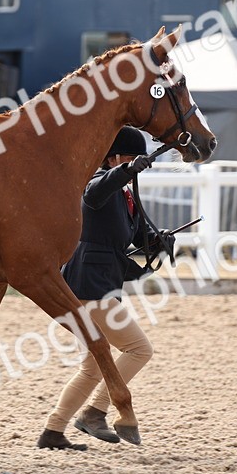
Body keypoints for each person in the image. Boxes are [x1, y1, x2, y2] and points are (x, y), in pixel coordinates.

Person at [38, 126, 175, 451]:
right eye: (127, 156)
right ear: (111, 157)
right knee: (139, 349)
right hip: (89, 286)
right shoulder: (96, 182)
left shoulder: (127, 195)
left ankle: (53, 431)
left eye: (135, 158)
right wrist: (125, 170)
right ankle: (95, 412)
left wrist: (160, 239)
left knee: (91, 367)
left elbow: (139, 237)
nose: (133, 162)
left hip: (101, 285)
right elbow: (93, 193)